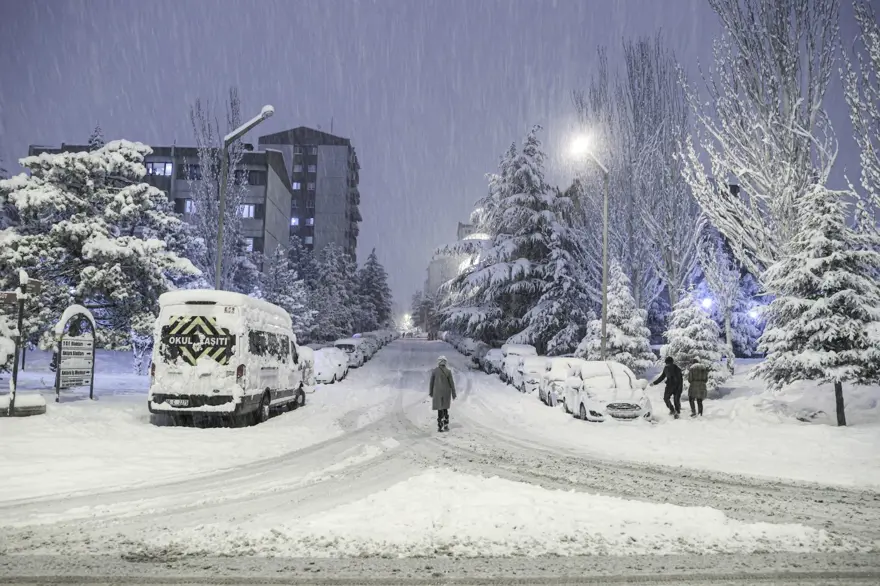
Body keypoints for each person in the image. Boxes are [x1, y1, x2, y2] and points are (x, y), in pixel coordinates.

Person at [430, 355, 457, 432]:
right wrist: (454, 394)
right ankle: (446, 423)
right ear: (445, 362)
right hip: (446, 393)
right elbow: (452, 383)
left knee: (440, 409)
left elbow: (431, 383)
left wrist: (431, 392)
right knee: (445, 408)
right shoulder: (448, 372)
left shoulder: (434, 371)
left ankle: (440, 425)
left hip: (437, 393)